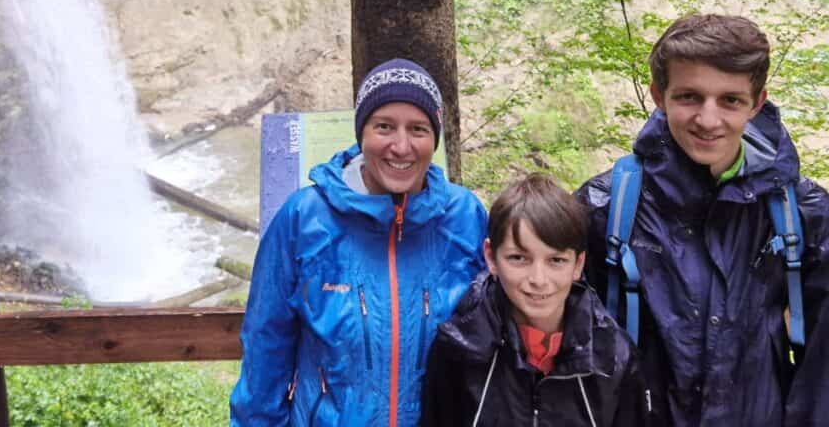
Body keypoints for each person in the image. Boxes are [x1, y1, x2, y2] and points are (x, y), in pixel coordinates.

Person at [576, 14, 829, 426]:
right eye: (689, 97)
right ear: (659, 96)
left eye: (730, 100)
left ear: (757, 102)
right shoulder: (606, 208)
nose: (708, 121)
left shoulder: (801, 211)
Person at [229, 58, 488, 427]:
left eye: (417, 129)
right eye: (384, 126)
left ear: (435, 138)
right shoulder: (305, 218)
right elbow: (266, 346)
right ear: (361, 133)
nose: (401, 146)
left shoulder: (465, 217)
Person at [423, 173, 646, 426]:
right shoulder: (460, 349)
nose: (538, 279)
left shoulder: (613, 358)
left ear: (578, 264)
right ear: (491, 257)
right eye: (519, 258)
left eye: (556, 260)